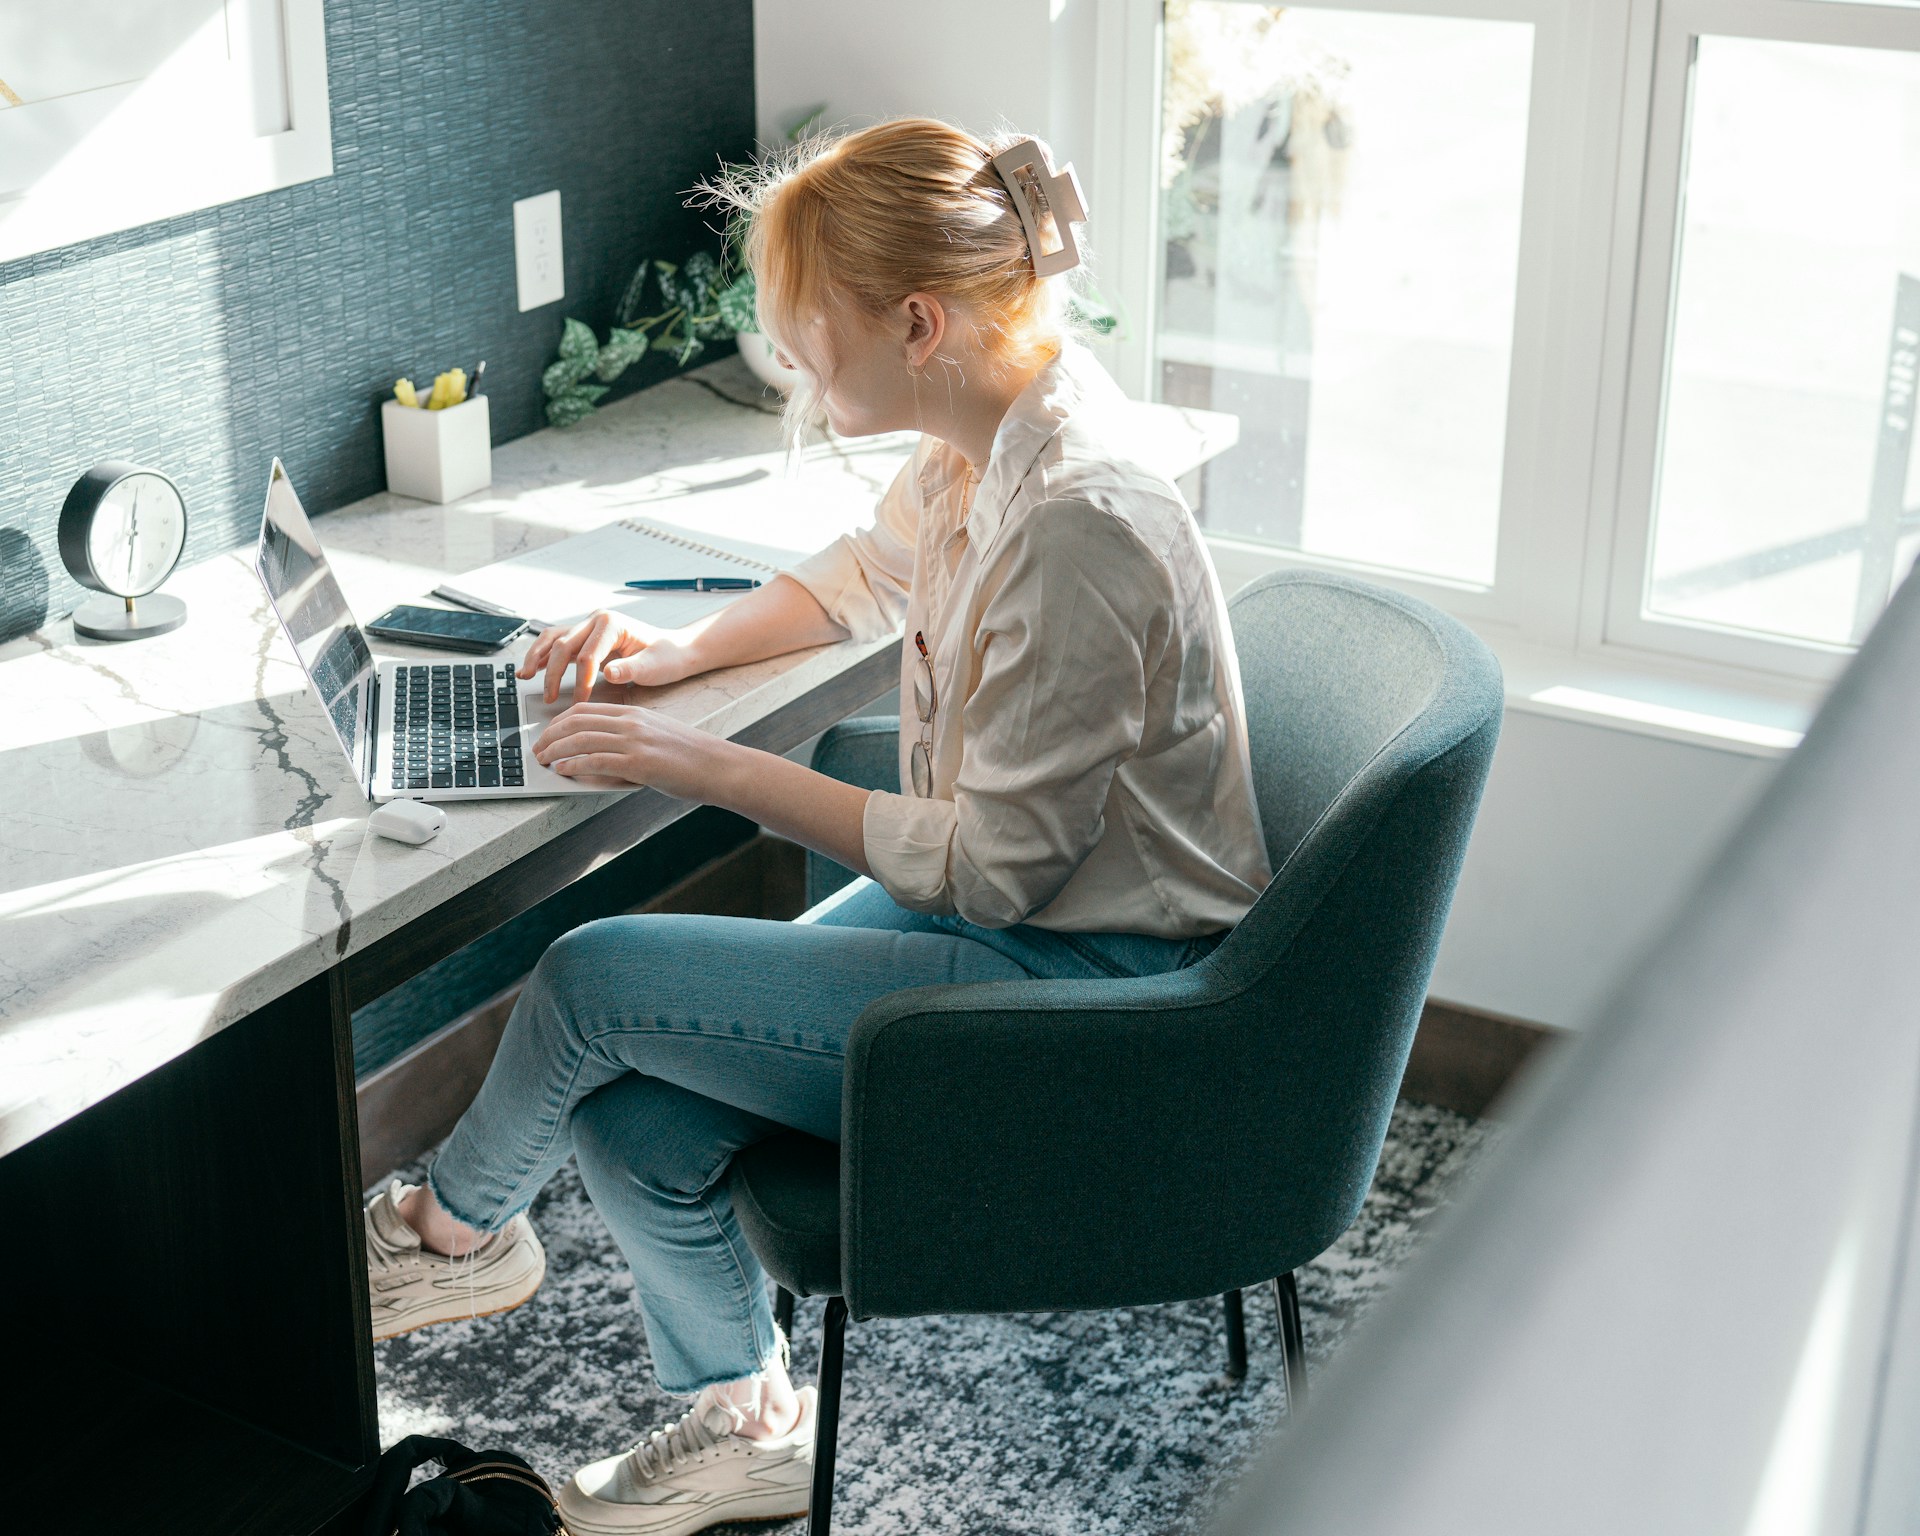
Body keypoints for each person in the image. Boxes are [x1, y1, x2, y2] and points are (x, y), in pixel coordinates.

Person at [359, 117, 1272, 1536]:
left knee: (592, 977)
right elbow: (860, 572)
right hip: (1028, 919)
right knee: (631, 1115)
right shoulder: (999, 428)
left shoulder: (1080, 521)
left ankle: (449, 1239)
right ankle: (748, 1424)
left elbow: (993, 868)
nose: (789, 354)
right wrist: (681, 659)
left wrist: (695, 765)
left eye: (806, 324)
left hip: (1102, 988)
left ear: (917, 320)